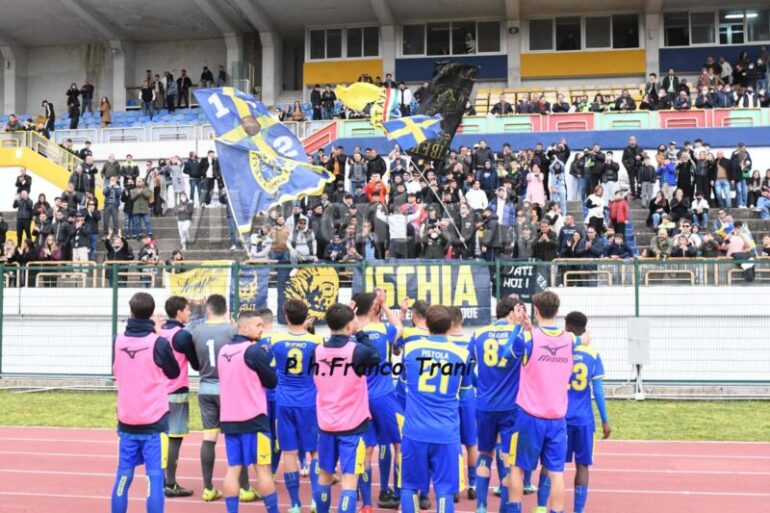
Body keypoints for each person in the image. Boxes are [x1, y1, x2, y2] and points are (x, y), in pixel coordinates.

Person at [503, 292, 581, 513]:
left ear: (535, 311)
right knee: (556, 473)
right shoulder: (569, 339)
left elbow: (505, 352)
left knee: (517, 468)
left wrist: (520, 327)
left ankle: (515, 509)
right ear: (557, 312)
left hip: (529, 416)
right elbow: (584, 339)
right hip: (557, 418)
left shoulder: (529, 338)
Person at [110, 292, 180, 513]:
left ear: (131, 312)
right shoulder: (157, 343)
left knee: (123, 475)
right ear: (152, 314)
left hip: (127, 419)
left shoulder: (117, 341)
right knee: (154, 478)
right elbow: (174, 372)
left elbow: (115, 370)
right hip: (154, 422)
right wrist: (158, 336)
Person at [400, 305, 471, 513]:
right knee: (445, 491)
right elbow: (466, 395)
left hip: (415, 430)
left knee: (409, 487)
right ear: (451, 325)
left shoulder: (411, 349)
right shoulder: (462, 354)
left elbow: (403, 386)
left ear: (426, 324)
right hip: (446, 431)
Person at [312, 303, 381, 513]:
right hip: (352, 425)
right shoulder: (356, 351)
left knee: (324, 476)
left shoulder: (318, 350)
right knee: (349, 480)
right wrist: (360, 332)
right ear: (350, 325)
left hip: (326, 424)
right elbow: (377, 356)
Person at [470, 296, 535, 513]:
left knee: (484, 454)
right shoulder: (519, 335)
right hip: (510, 405)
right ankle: (505, 507)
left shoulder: (478, 334)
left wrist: (481, 387)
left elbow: (468, 369)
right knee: (509, 460)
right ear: (511, 312)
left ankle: (480, 507)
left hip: (485, 404)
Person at [190, 294, 258, 502]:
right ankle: (245, 488)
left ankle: (208, 487)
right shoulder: (232, 330)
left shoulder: (196, 331)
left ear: (208, 310)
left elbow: (194, 363)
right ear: (225, 310)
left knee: (208, 438)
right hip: (230, 390)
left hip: (206, 388)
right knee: (237, 436)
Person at [218, 310, 279, 513]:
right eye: (258, 325)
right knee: (263, 469)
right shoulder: (253, 351)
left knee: (233, 469)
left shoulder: (223, 351)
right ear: (244, 327)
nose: (262, 329)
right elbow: (272, 381)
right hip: (254, 419)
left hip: (229, 419)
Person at [269, 299, 324, 513]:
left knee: (289, 453)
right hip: (309, 401)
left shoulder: (275, 340)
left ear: (285, 315)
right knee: (314, 452)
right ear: (306, 315)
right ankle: (315, 501)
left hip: (284, 401)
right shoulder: (318, 340)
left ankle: (294, 504)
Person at [352, 290, 404, 511]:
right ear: (374, 307)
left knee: (366, 449)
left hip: (360, 397)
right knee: (400, 444)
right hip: (383, 397)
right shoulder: (383, 329)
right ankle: (399, 494)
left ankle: (365, 502)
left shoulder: (351, 333)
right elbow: (399, 327)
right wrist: (385, 307)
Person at [159, 296, 200, 498]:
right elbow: (196, 365)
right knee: (174, 438)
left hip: (158, 392)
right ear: (179, 312)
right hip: (176, 391)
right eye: (187, 310)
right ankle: (171, 483)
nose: (189, 313)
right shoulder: (182, 336)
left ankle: (159, 478)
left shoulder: (159, 333)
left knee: (159, 437)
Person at [448, 307, 479, 501]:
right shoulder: (471, 342)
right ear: (461, 321)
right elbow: (473, 372)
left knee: (454, 443)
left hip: (450, 396)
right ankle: (473, 485)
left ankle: (456, 485)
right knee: (471, 442)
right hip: (468, 395)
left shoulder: (445, 344)